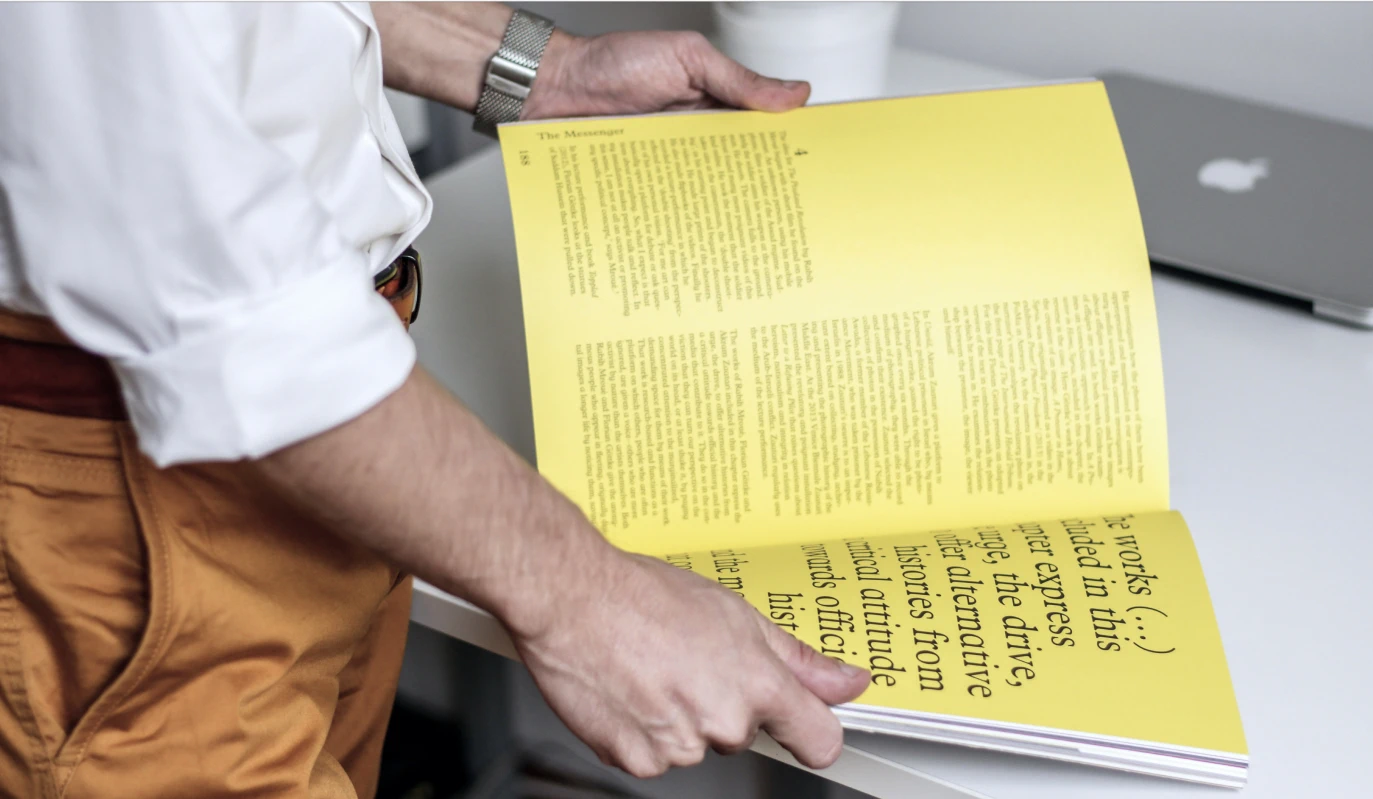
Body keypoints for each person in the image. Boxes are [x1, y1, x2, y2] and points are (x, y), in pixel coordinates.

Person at [0, 3, 871, 797]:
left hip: (351, 435)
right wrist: (586, 595)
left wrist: (546, 72)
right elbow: (218, 306)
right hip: (142, 483)